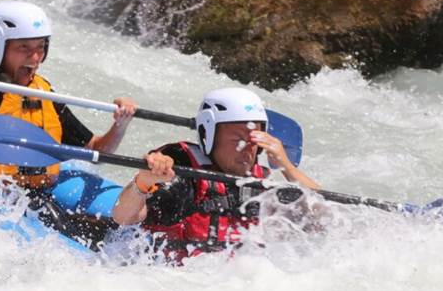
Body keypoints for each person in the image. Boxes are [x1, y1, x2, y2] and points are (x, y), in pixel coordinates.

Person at [0, 1, 137, 191]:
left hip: (32, 193)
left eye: (40, 47)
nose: (35, 57)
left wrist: (121, 125)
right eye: (24, 47)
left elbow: (95, 151)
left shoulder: (41, 92)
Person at [112, 87, 319, 262]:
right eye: (237, 140)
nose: (248, 150)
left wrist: (287, 167)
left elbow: (322, 219)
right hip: (174, 279)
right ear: (208, 136)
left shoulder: (259, 180)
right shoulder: (183, 171)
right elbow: (124, 217)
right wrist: (143, 182)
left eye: (255, 141)